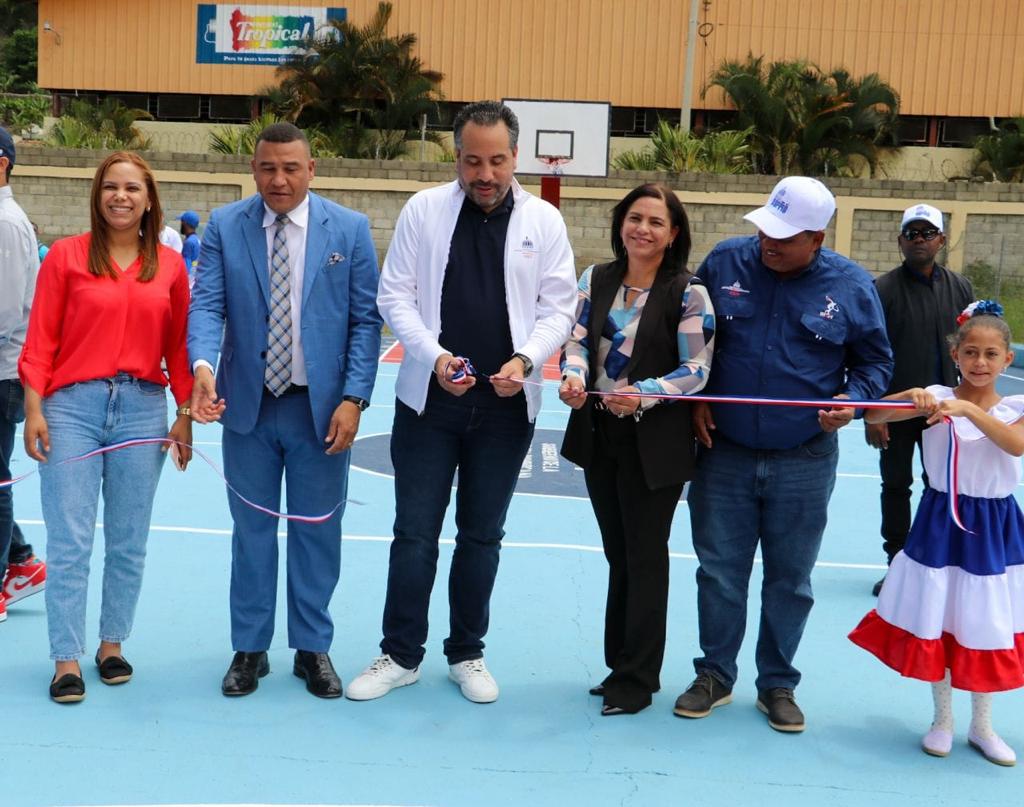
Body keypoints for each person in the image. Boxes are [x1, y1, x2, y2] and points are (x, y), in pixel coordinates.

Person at [348, 100, 576, 704]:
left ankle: (466, 652)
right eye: (472, 161)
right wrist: (435, 357)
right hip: (430, 402)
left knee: (482, 534)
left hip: (505, 407)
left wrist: (525, 359)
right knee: (414, 532)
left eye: (497, 161)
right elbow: (394, 297)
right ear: (456, 156)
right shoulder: (423, 210)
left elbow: (560, 309)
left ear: (515, 157)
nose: (485, 174)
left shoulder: (545, 222)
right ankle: (400, 654)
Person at [673, 176, 892, 732]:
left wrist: (855, 401)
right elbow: (688, 338)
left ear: (816, 238)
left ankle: (777, 684)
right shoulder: (725, 263)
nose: (770, 243)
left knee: (790, 579)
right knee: (719, 572)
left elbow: (874, 365)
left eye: (786, 237)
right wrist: (694, 399)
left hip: (805, 456)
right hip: (722, 451)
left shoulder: (851, 286)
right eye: (767, 230)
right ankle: (714, 675)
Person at [188, 122, 382, 699]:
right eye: (268, 168)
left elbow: (366, 323)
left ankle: (311, 647)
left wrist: (353, 398)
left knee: (317, 533)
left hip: (319, 413)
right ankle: (249, 649)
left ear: (311, 169)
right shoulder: (226, 226)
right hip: (246, 409)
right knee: (251, 532)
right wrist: (203, 368)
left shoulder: (348, 229)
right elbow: (208, 306)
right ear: (254, 169)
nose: (279, 179)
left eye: (290, 168)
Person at [19, 151, 193, 702]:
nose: (121, 197)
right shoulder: (67, 257)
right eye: (110, 187)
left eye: (132, 189)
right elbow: (41, 339)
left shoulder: (169, 266)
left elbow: (180, 348)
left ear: (149, 200)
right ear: (97, 196)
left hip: (143, 407)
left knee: (128, 540)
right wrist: (33, 409)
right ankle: (65, 658)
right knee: (69, 540)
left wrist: (185, 414)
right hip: (71, 408)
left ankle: (111, 645)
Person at [559, 183, 715, 715]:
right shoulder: (595, 278)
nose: (642, 229)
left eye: (655, 222)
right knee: (618, 554)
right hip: (600, 435)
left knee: (645, 558)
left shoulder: (689, 292)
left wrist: (643, 394)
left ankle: (638, 678)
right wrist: (576, 376)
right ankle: (618, 664)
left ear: (674, 235)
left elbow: (696, 372)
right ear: (620, 223)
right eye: (634, 217)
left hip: (657, 445)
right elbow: (577, 341)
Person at [850, 301, 1023, 766]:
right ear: (956, 355)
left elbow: (1016, 444)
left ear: (1008, 359)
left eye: (990, 354)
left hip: (994, 529)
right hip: (939, 521)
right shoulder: (935, 395)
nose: (980, 363)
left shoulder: (1016, 407)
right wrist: (909, 396)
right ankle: (942, 720)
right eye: (971, 352)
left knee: (985, 620)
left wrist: (966, 407)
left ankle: (982, 725)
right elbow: (872, 417)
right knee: (940, 615)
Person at [865, 204, 973, 595]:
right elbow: (870, 354)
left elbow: (968, 348)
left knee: (939, 487)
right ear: (900, 241)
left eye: (928, 233)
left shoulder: (961, 288)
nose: (920, 240)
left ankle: (933, 561)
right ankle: (896, 561)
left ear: (942, 240)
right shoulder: (881, 290)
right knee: (895, 486)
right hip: (896, 410)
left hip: (943, 413)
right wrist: (874, 415)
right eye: (912, 233)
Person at [0, 125, 43, 625]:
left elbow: (6, 313)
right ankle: (21, 560)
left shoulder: (8, 223)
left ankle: (7, 575)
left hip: (3, 375)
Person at [177, 210, 201, 282]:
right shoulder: (196, 239)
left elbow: (186, 267)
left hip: (190, 281)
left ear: (185, 223)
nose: (180, 224)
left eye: (181, 221)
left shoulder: (189, 242)